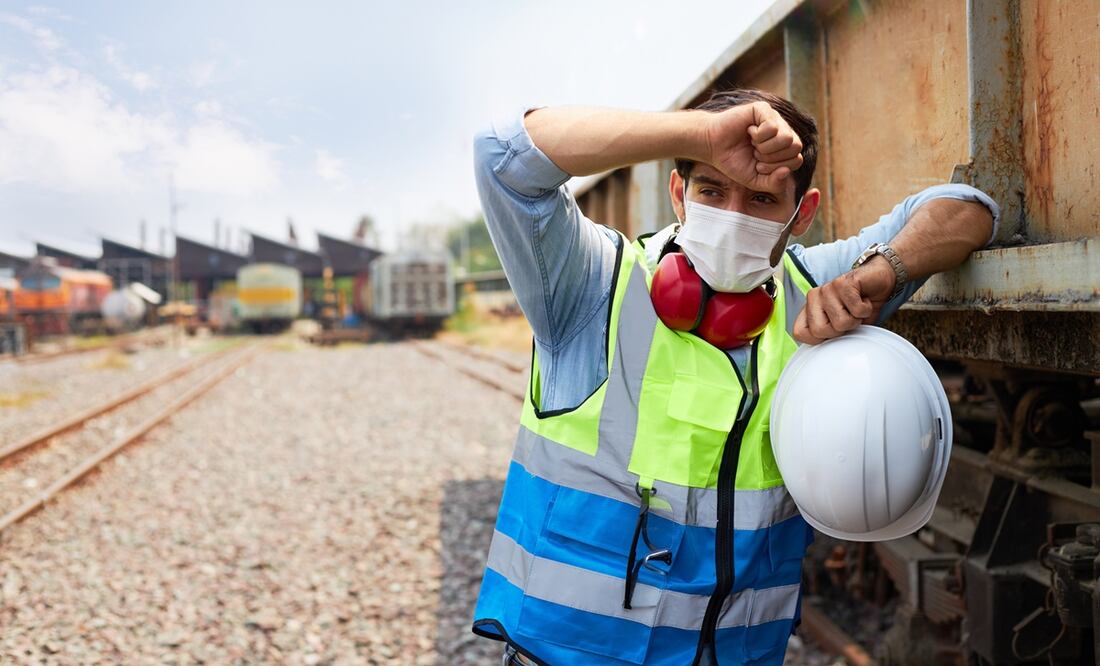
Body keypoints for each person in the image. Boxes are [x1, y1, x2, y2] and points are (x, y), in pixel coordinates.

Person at [470, 89, 998, 666]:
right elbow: (503, 154)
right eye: (712, 190)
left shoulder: (812, 289)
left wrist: (881, 273)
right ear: (679, 194)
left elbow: (969, 209)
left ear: (803, 215)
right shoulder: (592, 287)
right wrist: (699, 135)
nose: (733, 217)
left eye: (762, 199)